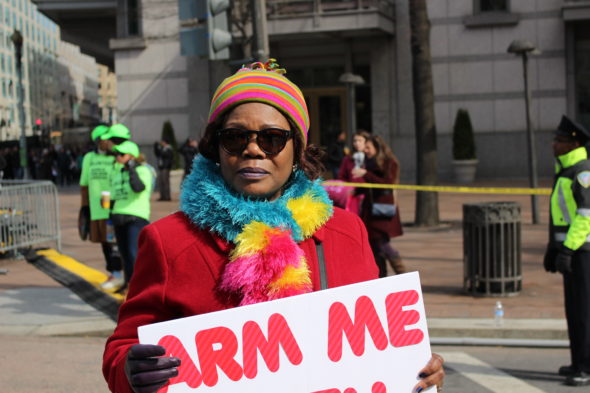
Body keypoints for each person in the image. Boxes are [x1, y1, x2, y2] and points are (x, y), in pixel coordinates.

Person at [102, 60, 444, 393]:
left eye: (272, 138)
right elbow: (123, 346)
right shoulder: (168, 240)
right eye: (235, 137)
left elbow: (380, 340)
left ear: (297, 149)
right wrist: (130, 371)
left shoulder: (347, 232)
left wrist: (421, 372)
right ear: (216, 147)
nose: (253, 149)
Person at [543, 115, 590, 386]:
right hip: (571, 250)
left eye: (559, 140)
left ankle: (586, 366)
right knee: (574, 310)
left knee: (585, 310)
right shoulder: (565, 171)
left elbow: (585, 217)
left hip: (583, 252)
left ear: (573, 144)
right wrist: (553, 248)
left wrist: (568, 250)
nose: (554, 144)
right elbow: (561, 216)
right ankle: (577, 361)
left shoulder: (582, 172)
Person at [352, 135, 405, 277]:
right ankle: (382, 278)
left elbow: (386, 184)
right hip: (371, 212)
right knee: (376, 248)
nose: (366, 151)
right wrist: (355, 191)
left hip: (383, 211)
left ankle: (402, 273)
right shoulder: (369, 163)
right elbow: (371, 187)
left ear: (378, 147)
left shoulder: (389, 163)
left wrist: (366, 174)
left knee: (382, 245)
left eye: (368, 148)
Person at [79, 125, 124, 291]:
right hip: (97, 208)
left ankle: (120, 274)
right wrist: (85, 207)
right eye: (104, 138)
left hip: (115, 206)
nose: (107, 142)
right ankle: (114, 273)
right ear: (98, 141)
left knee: (118, 243)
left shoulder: (117, 156)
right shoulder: (89, 157)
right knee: (105, 242)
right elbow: (84, 184)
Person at [110, 141, 153, 293]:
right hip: (118, 216)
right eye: (116, 154)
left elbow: (138, 188)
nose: (118, 157)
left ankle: (139, 290)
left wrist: (132, 168)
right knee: (124, 254)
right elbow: (113, 196)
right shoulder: (117, 172)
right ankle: (128, 285)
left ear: (132, 157)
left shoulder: (142, 170)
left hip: (136, 217)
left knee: (134, 254)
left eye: (121, 154)